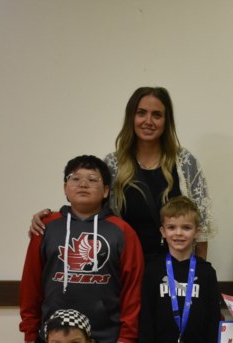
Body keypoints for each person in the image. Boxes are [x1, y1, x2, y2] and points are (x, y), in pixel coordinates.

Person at [31, 87, 214, 259]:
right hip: (127, 271)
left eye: (156, 115)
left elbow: (202, 229)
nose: (148, 121)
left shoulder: (185, 163)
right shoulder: (112, 164)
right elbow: (87, 210)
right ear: (131, 117)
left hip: (174, 275)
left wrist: (198, 275)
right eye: (141, 113)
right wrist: (49, 218)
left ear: (166, 121)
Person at [19, 155, 144, 343]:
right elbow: (31, 283)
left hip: (106, 340)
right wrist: (29, 329)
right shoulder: (45, 228)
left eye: (92, 180)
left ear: (105, 191)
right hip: (55, 339)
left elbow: (132, 287)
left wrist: (128, 334)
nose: (83, 184)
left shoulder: (122, 231)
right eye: (75, 178)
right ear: (65, 188)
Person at [137, 196, 221, 343]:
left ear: (196, 232)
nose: (179, 233)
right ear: (163, 231)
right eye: (172, 227)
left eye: (186, 227)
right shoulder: (153, 270)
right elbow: (146, 319)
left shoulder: (206, 272)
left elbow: (213, 321)